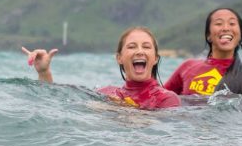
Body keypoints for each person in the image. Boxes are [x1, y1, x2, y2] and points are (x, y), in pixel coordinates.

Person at [22, 26, 180, 110]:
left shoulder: (167, 99)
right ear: (119, 58)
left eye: (146, 47)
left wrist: (122, 109)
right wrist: (44, 72)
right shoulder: (106, 93)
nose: (139, 51)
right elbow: (54, 103)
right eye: (132, 46)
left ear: (155, 59)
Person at [164, 7, 242, 99]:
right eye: (218, 23)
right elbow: (160, 100)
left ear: (240, 36)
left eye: (232, 24)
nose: (226, 28)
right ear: (208, 35)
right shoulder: (187, 67)